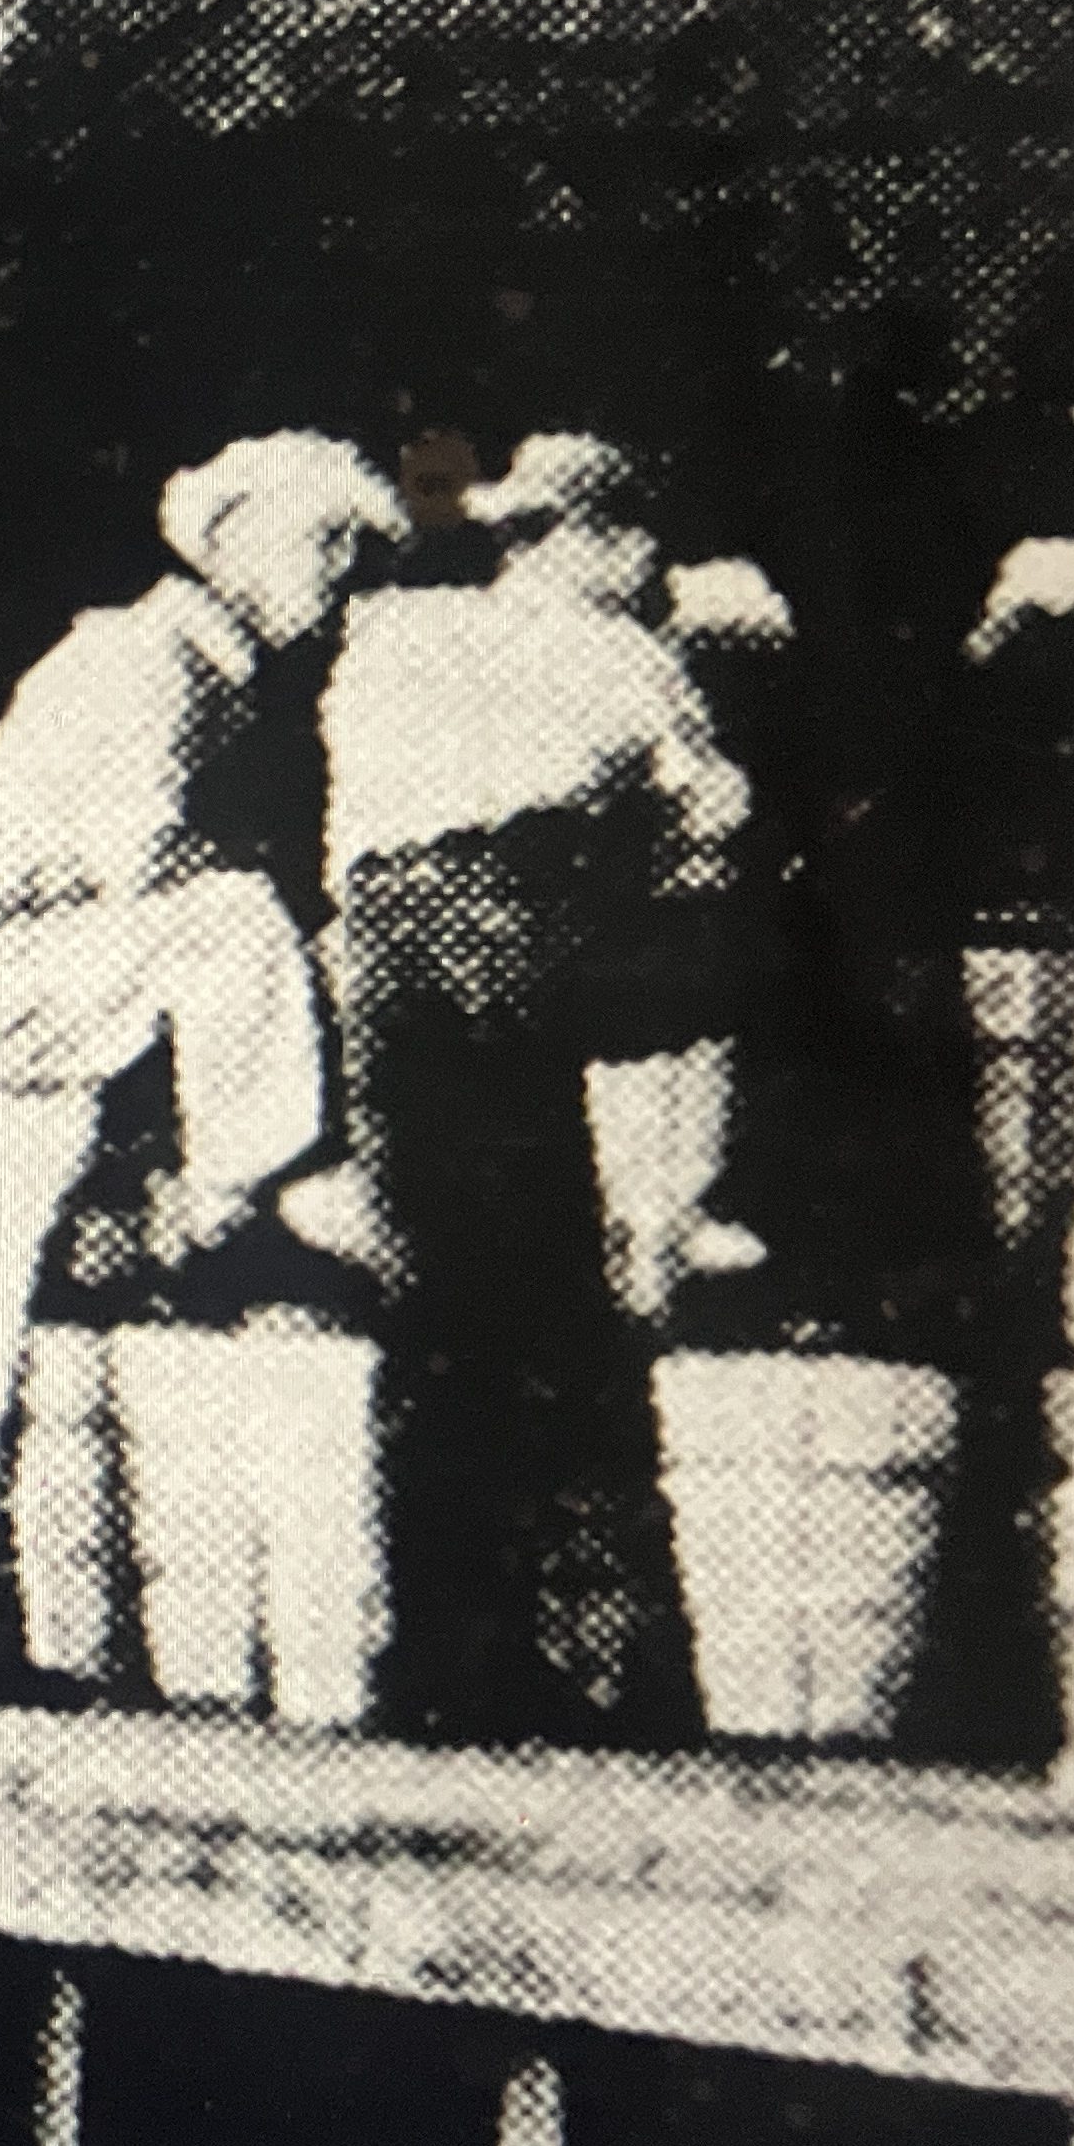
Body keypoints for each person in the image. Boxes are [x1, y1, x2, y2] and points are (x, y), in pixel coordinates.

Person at [0, 432, 406, 1691]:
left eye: (352, 553)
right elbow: (137, 850)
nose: (337, 577)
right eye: (322, 542)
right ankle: (246, 1189)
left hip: (61, 969)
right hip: (7, 967)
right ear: (236, 538)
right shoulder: (146, 657)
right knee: (239, 922)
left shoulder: (229, 678)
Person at [314, 430, 748, 1746]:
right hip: (522, 925)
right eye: (636, 541)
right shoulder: (627, 655)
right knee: (555, 1304)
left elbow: (347, 843)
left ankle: (442, 1664)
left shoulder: (396, 638)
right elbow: (710, 822)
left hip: (389, 955)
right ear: (595, 539)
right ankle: (612, 1675)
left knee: (438, 1307)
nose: (649, 563)